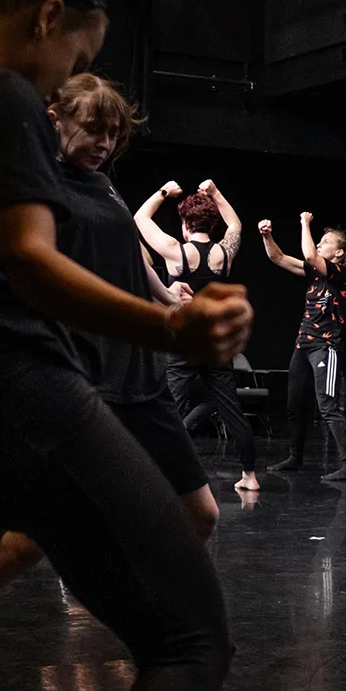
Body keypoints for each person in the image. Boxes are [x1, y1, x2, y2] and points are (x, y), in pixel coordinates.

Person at [0, 0, 251, 691]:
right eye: (80, 48)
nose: (68, 70)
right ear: (48, 15)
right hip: (17, 393)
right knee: (192, 642)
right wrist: (173, 327)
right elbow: (32, 265)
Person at [0, 73, 225, 686]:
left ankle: (160, 632)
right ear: (55, 119)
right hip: (82, 375)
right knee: (24, 542)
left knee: (200, 513)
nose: (104, 142)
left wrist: (166, 299)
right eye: (94, 128)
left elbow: (132, 255)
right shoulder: (36, 187)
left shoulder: (101, 182)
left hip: (141, 374)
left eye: (114, 133)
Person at [135, 176, 260, 490]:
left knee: (171, 408)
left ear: (184, 223)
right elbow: (237, 225)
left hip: (183, 343)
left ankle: (156, 471)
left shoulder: (175, 250)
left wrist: (165, 191)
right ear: (211, 223)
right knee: (231, 409)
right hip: (215, 344)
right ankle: (250, 477)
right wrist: (216, 192)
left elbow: (139, 218)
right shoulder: (223, 253)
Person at [259, 214, 346, 480]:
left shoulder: (342, 274)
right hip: (303, 346)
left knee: (327, 404)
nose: (318, 244)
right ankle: (296, 456)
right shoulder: (315, 273)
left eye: (324, 241)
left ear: (338, 252)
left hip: (325, 348)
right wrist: (266, 236)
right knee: (294, 403)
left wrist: (304, 223)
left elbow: (312, 255)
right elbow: (278, 258)